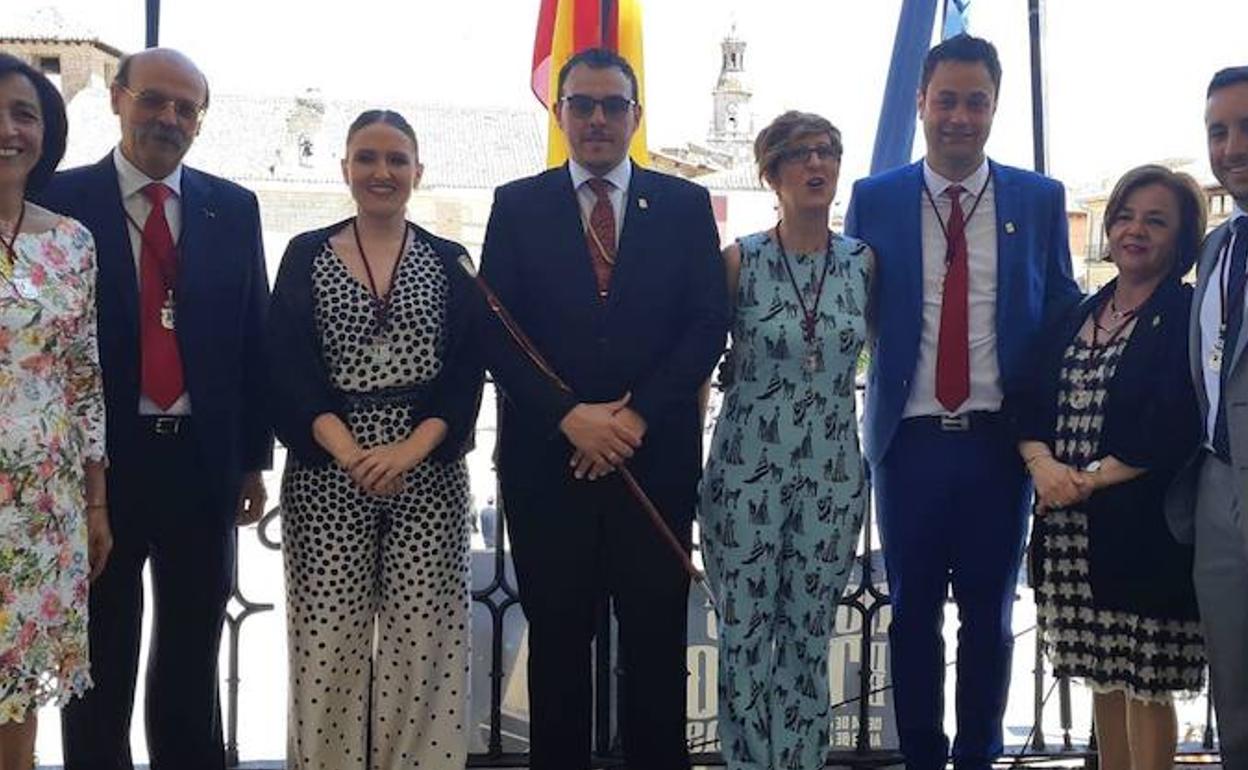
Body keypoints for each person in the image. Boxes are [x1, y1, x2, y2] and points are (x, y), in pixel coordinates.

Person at [478, 47, 728, 770]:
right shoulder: (516, 205)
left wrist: (634, 417)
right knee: (558, 645)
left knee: (654, 644)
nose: (595, 119)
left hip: (653, 462)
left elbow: (706, 323)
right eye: (580, 104)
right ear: (559, 114)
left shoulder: (681, 206)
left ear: (635, 117)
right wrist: (569, 415)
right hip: (547, 464)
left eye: (611, 105)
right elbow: (497, 329)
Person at [844, 34, 1080, 770]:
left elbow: (1064, 310)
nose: (959, 116)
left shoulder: (1039, 200)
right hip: (907, 444)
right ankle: (921, 757)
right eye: (945, 99)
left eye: (976, 101)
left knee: (989, 619)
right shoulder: (874, 198)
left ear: (994, 107)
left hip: (997, 445)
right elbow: (847, 305)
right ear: (920, 103)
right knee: (912, 616)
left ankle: (977, 756)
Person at [36, 48, 272, 770]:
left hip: (201, 461)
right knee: (101, 651)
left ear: (200, 121)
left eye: (185, 107)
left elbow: (252, 337)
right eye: (154, 100)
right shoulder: (61, 202)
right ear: (117, 99)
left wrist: (252, 462)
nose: (168, 117)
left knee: (192, 651)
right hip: (102, 467)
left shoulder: (232, 207)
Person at [267, 109, 483, 770]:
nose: (381, 172)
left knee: (424, 649)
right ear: (345, 169)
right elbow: (288, 369)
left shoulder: (449, 261)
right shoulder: (306, 253)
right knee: (328, 645)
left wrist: (406, 452)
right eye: (366, 158)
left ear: (419, 172)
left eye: (396, 159)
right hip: (331, 471)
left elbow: (465, 370)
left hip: (428, 473)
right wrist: (353, 453)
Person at [1015, 165, 1206, 770]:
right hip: (1070, 532)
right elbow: (1026, 398)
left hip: (1143, 530)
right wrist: (1042, 463)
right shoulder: (1078, 311)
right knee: (1101, 676)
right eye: (1125, 215)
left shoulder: (1187, 314)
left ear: (1182, 237)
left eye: (1156, 220)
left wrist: (1088, 479)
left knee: (1144, 684)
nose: (1135, 230)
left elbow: (1176, 420)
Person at [698, 110, 870, 770]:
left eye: (827, 151)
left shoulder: (862, 263)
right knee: (743, 640)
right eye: (798, 154)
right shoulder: (740, 260)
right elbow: (700, 373)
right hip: (745, 476)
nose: (815, 164)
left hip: (831, 474)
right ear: (771, 174)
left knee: (806, 638)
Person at [0, 52, 107, 770]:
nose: (8, 130)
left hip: (43, 510)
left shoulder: (70, 241)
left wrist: (95, 505)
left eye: (24, 113)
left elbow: (83, 380)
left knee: (16, 699)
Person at [1166, 65, 1248, 770]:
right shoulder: (1219, 247)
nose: (1231, 146)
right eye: (1218, 131)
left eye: (1246, 126)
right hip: (1219, 497)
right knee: (1235, 697)